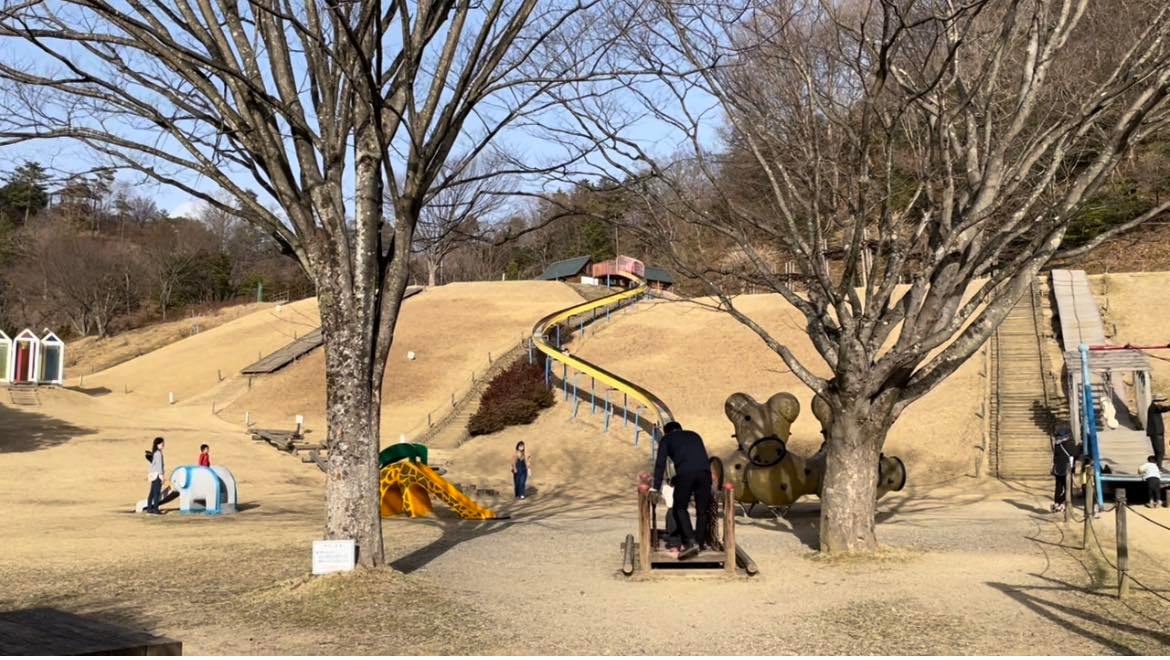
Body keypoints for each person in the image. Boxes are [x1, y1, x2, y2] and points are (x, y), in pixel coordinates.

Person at [652, 420, 711, 560]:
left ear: (667, 432)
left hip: (685, 474)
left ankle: (690, 542)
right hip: (705, 473)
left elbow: (660, 464)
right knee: (702, 511)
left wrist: (656, 487)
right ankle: (700, 542)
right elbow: (694, 460)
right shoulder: (694, 435)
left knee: (680, 507)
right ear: (680, 428)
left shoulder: (666, 439)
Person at [1051, 428, 1076, 513]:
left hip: (1058, 469)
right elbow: (1075, 453)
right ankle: (1061, 503)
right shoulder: (1070, 445)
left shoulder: (1057, 445)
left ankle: (1056, 503)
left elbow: (1055, 457)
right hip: (1067, 470)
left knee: (1058, 488)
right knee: (1068, 489)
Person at [1147, 395, 1170, 467]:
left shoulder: (1155, 407)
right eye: (1161, 401)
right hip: (1156, 432)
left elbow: (1164, 408)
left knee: (1160, 451)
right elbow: (1165, 409)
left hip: (1157, 432)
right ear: (1157, 402)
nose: (1162, 403)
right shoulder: (1154, 407)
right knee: (1159, 451)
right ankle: (1158, 466)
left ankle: (1156, 464)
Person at [144, 437, 165, 514]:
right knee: (156, 493)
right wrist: (162, 477)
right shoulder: (158, 453)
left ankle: (149, 508)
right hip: (157, 475)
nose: (163, 445)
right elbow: (159, 466)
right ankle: (156, 509)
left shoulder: (155, 453)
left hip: (152, 475)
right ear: (157, 444)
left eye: (163, 444)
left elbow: (153, 464)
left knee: (152, 493)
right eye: (161, 444)